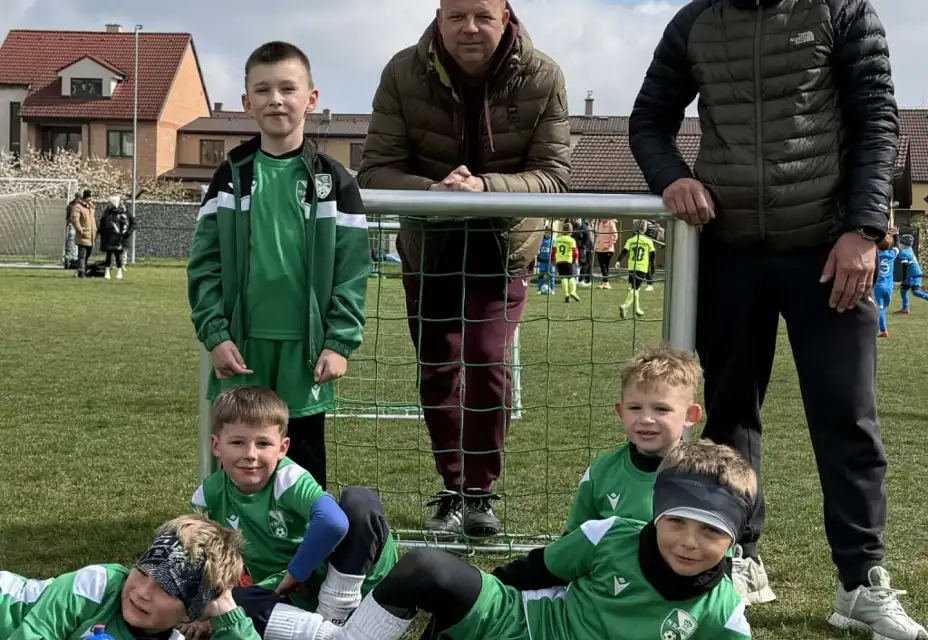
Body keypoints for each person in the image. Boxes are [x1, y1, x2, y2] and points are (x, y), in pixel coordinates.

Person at [629, 1, 925, 635]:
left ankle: (860, 581)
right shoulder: (695, 21)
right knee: (729, 415)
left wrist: (864, 227)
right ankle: (737, 557)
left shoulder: (843, 10)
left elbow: (877, 120)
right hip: (729, 250)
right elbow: (649, 120)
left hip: (829, 248)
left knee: (847, 417)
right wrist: (671, 177)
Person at [357, 0, 570, 537]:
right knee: (437, 369)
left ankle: (479, 492)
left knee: (487, 359)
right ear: (439, 16)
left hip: (503, 249)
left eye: (482, 15)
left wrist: (485, 188)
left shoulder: (543, 75)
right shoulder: (402, 71)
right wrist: (437, 191)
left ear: (505, 15)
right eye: (456, 16)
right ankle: (452, 488)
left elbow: (553, 175)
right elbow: (376, 170)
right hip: (430, 248)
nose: (469, 28)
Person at [333, 439, 754, 640]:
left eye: (711, 531)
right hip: (524, 623)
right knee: (425, 568)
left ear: (733, 541)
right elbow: (530, 571)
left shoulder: (723, 615)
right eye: (676, 522)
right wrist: (465, 608)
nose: (689, 542)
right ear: (657, 514)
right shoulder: (610, 535)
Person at [187, 41, 371, 491]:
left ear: (311, 99)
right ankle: (229, 531)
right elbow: (204, 265)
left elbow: (352, 270)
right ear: (246, 102)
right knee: (239, 452)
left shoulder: (333, 180)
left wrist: (339, 342)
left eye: (288, 89)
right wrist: (215, 334)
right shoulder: (231, 175)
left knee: (301, 461)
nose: (276, 99)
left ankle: (303, 536)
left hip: (306, 352)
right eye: (263, 90)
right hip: (241, 347)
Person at [188, 386, 397, 639]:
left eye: (263, 443)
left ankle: (335, 613)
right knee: (235, 600)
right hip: (285, 597)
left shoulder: (287, 479)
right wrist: (202, 612)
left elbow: (333, 522)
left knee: (359, 501)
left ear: (283, 448)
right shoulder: (208, 495)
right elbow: (195, 557)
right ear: (216, 445)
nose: (250, 454)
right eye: (237, 442)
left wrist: (294, 574)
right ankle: (331, 631)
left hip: (338, 583)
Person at [0, 514, 263, 639]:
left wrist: (226, 610)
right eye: (142, 572)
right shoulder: (97, 585)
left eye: (166, 589)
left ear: (190, 613)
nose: (143, 592)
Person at [566, 345, 702, 531]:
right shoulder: (602, 472)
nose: (646, 419)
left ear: (690, 415)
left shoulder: (703, 476)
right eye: (635, 408)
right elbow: (575, 537)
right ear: (621, 412)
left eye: (661, 409)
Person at [616, 221, 656, 319]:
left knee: (634, 288)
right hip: (642, 267)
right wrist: (652, 269)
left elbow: (624, 252)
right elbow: (652, 257)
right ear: (645, 229)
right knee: (635, 288)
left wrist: (618, 261)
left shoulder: (631, 240)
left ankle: (637, 309)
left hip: (631, 266)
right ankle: (625, 306)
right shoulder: (648, 241)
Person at [873, 228, 900, 337]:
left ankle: (883, 330)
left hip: (878, 286)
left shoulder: (875, 255)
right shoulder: (892, 254)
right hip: (889, 287)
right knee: (882, 307)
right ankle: (880, 326)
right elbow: (897, 246)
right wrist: (896, 235)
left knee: (879, 308)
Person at [98, 195, 130, 281]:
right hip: (108, 238)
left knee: (117, 256)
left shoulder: (121, 214)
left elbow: (125, 226)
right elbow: (102, 225)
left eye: (110, 203)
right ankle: (107, 272)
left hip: (117, 238)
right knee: (108, 256)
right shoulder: (106, 214)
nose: (108, 204)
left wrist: (122, 235)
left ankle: (119, 272)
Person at [896, 234, 927, 313]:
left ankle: (905, 308)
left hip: (913, 275)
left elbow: (904, 267)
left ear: (904, 243)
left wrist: (904, 279)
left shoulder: (904, 253)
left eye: (901, 242)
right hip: (913, 274)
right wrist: (896, 235)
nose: (899, 244)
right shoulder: (909, 249)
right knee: (903, 290)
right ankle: (905, 308)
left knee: (915, 292)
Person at [68, 189, 96, 279]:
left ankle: (83, 271)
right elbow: (75, 220)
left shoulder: (91, 208)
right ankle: (81, 273)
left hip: (91, 236)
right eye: (89, 197)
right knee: (82, 255)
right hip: (83, 236)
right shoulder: (78, 207)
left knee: (87, 255)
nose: (91, 199)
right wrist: (80, 231)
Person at [553, 222, 580, 303]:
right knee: (571, 277)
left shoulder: (558, 239)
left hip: (559, 260)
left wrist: (552, 260)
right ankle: (573, 292)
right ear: (571, 231)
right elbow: (575, 251)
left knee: (563, 277)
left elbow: (553, 251)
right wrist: (575, 259)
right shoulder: (571, 240)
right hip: (568, 260)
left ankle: (566, 294)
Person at [593, 218, 618, 289]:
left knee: (604, 265)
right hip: (599, 248)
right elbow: (597, 234)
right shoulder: (600, 223)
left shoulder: (611, 223)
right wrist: (597, 245)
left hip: (608, 249)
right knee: (603, 266)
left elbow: (615, 235)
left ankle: (606, 282)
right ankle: (604, 282)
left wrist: (608, 244)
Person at [572, 218, 594, 287]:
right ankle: (581, 280)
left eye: (576, 219)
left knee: (585, 264)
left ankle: (580, 280)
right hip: (579, 248)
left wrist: (583, 246)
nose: (574, 220)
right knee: (580, 264)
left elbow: (588, 239)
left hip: (586, 249)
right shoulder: (575, 226)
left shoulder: (584, 227)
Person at [536, 228, 555, 295]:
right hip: (542, 261)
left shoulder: (553, 241)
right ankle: (539, 289)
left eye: (549, 233)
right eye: (546, 232)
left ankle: (552, 289)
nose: (547, 234)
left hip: (550, 262)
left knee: (551, 276)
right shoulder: (541, 240)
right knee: (541, 275)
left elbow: (554, 251)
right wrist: (538, 256)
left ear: (551, 233)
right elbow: (538, 249)